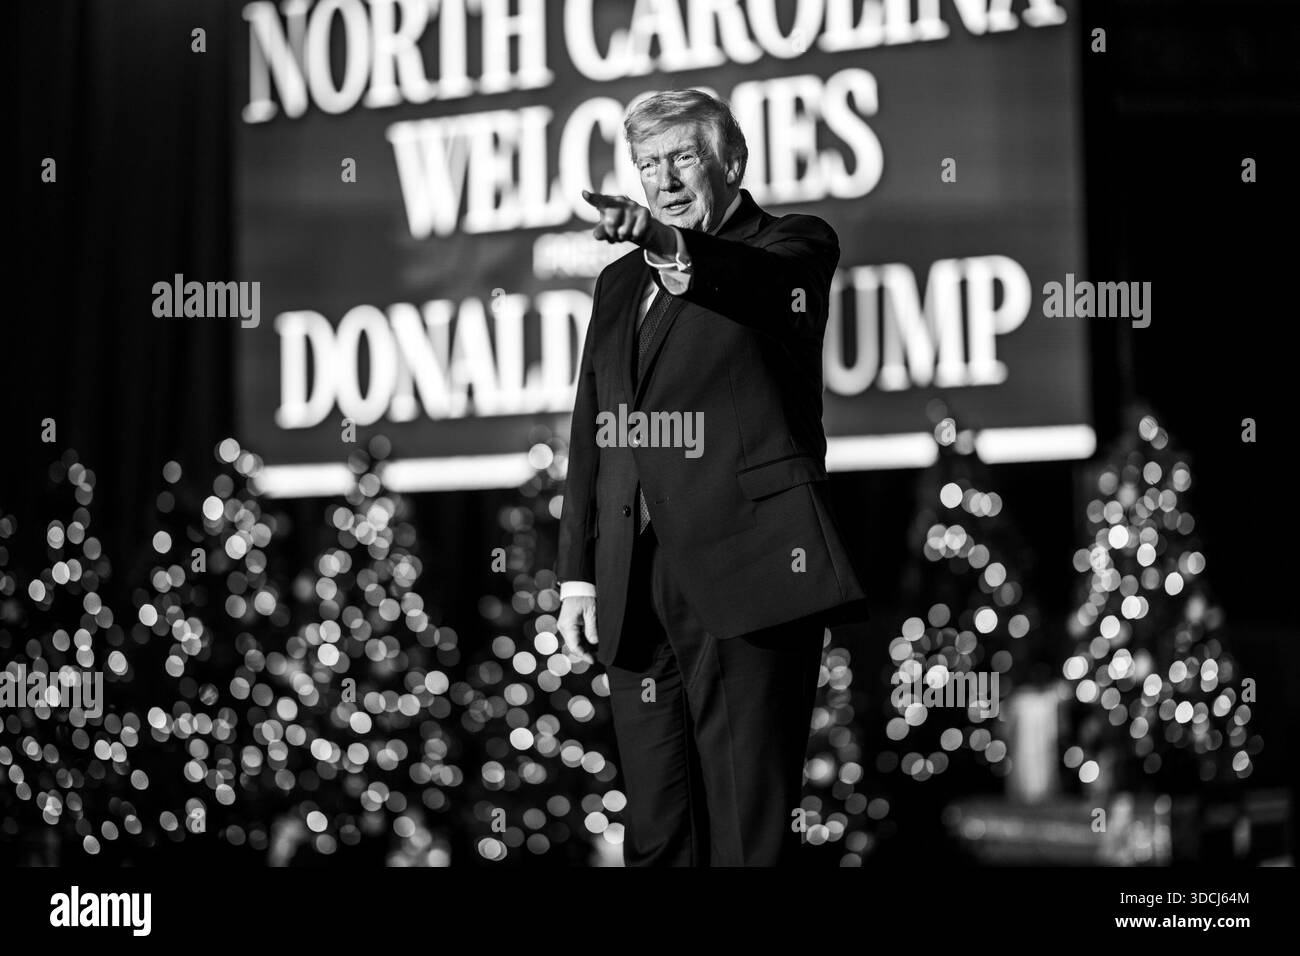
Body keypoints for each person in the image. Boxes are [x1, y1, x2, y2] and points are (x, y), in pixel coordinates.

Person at [556, 89, 870, 867]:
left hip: (750, 568)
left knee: (744, 833)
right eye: (647, 165)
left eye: (682, 158)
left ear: (730, 161)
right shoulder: (617, 284)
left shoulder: (790, 247)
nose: (662, 179)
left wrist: (667, 244)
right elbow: (597, 429)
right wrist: (578, 578)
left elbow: (757, 292)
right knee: (658, 834)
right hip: (635, 585)